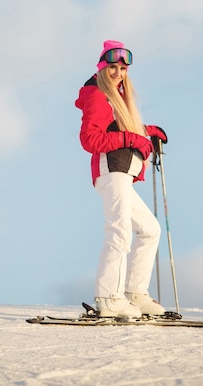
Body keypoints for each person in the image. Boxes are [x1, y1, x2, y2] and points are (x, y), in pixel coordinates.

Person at [75, 40, 168, 318]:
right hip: (111, 171)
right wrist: (132, 138)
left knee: (150, 230)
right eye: (113, 67)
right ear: (103, 68)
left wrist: (147, 132)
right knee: (119, 232)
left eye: (123, 68)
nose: (118, 73)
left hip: (123, 174)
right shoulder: (97, 94)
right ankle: (108, 297)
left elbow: (119, 126)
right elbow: (90, 138)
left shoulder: (117, 96)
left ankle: (135, 293)